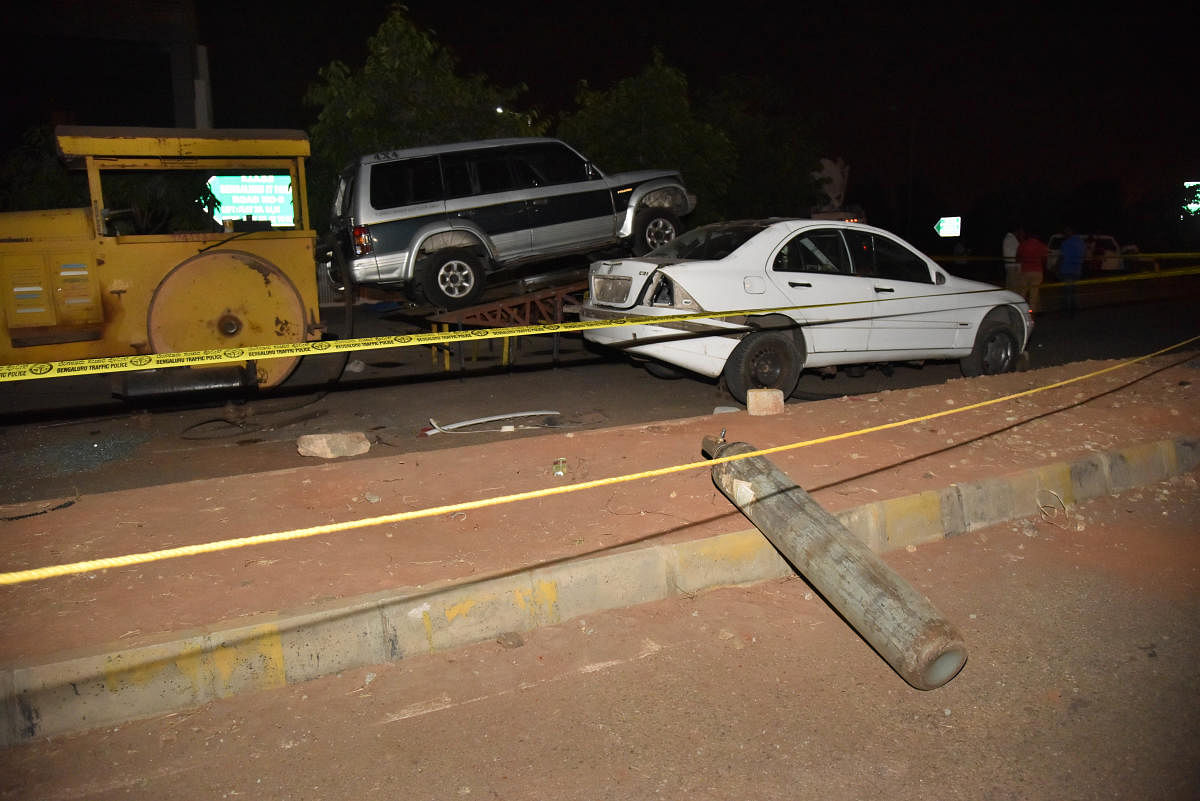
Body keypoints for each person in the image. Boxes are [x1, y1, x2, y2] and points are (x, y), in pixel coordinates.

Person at [1015, 229, 1048, 312]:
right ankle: (1031, 312)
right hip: (1037, 271)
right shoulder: (1042, 246)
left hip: (1025, 271)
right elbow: (1044, 259)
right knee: (1034, 294)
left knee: (1022, 292)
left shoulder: (1023, 244)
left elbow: (1017, 258)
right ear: (1038, 236)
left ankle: (1021, 311)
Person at [1057, 226, 1085, 315]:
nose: (1063, 234)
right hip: (1077, 270)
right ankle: (1075, 309)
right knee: (1074, 290)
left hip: (1066, 269)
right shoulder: (1081, 242)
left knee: (1067, 292)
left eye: (1065, 232)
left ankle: (1068, 310)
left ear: (1069, 232)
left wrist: (1056, 267)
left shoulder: (1066, 243)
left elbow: (1062, 257)